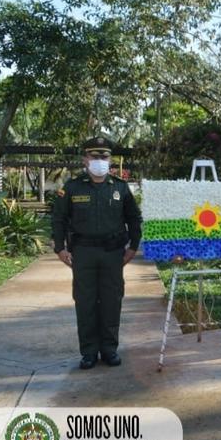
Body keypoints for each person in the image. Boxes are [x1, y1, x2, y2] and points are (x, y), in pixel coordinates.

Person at [51, 137, 142, 370]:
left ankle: (109, 349)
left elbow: (134, 218)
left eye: (104, 157)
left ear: (110, 160)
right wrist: (60, 248)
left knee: (112, 302)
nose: (99, 161)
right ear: (85, 160)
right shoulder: (72, 187)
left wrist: (133, 247)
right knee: (85, 302)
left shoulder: (120, 187)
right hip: (83, 253)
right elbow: (59, 219)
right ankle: (89, 352)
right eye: (94, 156)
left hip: (113, 254)